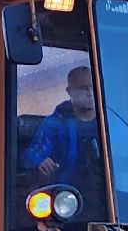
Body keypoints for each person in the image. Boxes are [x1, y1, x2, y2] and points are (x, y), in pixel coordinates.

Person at [21, 65, 104, 207]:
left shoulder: (111, 123)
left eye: (93, 87)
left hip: (104, 195)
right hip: (66, 199)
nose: (90, 93)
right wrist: (41, 163)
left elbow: (127, 153)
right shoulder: (55, 124)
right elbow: (31, 157)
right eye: (83, 88)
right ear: (70, 91)